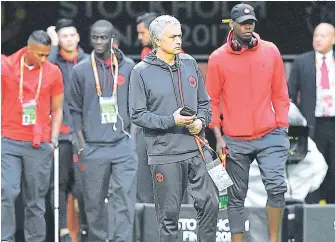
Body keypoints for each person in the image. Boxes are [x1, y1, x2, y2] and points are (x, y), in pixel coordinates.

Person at [129, 15, 219, 242]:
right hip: (164, 153)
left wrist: (201, 121)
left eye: (180, 35)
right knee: (168, 217)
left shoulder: (189, 63)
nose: (178, 40)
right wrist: (171, 120)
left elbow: (205, 103)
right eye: (173, 36)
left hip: (197, 148)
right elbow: (137, 115)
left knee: (211, 205)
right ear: (158, 40)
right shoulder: (141, 71)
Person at [206, 4, 290, 242]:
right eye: (243, 23)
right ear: (231, 25)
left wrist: (282, 127)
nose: (248, 26)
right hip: (235, 137)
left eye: (251, 22)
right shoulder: (218, 58)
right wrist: (218, 137)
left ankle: (274, 240)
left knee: (276, 187)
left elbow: (280, 92)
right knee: (235, 196)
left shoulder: (270, 51)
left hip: (270, 133)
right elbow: (213, 100)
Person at [68, 19, 138, 242]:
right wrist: (81, 144)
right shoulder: (80, 70)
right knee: (94, 204)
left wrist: (132, 139)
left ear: (112, 39)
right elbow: (74, 109)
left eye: (103, 37)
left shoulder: (128, 66)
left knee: (124, 201)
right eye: (95, 37)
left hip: (122, 146)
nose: (98, 42)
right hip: (93, 148)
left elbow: (138, 105)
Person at [1, 30, 64, 242]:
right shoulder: (6, 68)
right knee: (7, 192)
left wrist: (53, 139)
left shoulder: (53, 72)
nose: (44, 59)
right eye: (40, 55)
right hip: (9, 139)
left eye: (47, 55)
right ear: (28, 50)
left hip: (38, 143)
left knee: (35, 200)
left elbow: (57, 110)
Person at [46, 18, 89, 242]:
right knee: (59, 185)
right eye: (64, 36)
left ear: (78, 37)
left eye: (72, 35)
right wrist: (52, 46)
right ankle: (62, 231)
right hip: (60, 134)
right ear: (59, 40)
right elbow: (45, 73)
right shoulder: (53, 61)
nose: (69, 39)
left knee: (83, 187)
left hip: (83, 134)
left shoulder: (87, 61)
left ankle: (84, 231)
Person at [288, 22, 335, 204]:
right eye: (316, 35)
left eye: (323, 36)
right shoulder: (302, 62)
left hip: (333, 121)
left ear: (333, 40)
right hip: (312, 124)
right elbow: (290, 95)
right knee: (313, 168)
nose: (318, 39)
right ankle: (313, 212)